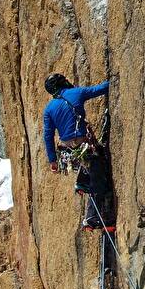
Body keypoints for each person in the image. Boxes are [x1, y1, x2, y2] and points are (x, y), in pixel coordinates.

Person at [43, 73, 115, 231]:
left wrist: (52, 160)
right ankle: (93, 217)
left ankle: (82, 180)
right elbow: (100, 89)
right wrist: (115, 78)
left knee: (94, 162)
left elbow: (48, 136)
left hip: (69, 151)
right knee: (98, 178)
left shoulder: (49, 109)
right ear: (62, 83)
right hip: (83, 144)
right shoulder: (75, 93)